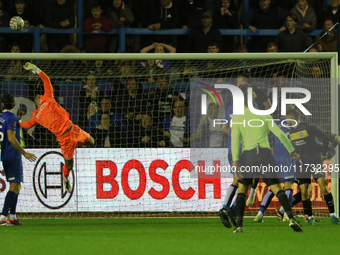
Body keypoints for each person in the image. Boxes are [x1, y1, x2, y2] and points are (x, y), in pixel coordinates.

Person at [230, 85, 302, 233]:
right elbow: (280, 135)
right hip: (265, 154)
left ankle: (239, 226)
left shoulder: (238, 118)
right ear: (254, 101)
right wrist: (292, 150)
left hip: (249, 156)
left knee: (242, 190)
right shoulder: (264, 115)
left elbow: (234, 141)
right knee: (277, 188)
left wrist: (236, 162)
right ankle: (291, 219)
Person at [20, 62, 95, 193]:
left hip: (73, 129)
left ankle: (76, 145)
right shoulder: (36, 115)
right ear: (35, 101)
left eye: (38, 95)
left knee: (92, 141)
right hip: (64, 139)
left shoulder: (48, 97)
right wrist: (18, 120)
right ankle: (65, 180)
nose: (38, 96)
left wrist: (36, 69)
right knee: (69, 166)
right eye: (36, 96)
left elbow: (46, 79)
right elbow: (26, 125)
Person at [285, 108, 339, 225]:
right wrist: (295, 156)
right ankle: (309, 218)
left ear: (292, 118)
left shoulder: (308, 127)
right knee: (304, 191)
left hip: (315, 162)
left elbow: (324, 137)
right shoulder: (291, 133)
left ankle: (333, 215)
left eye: (287, 117)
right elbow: (295, 149)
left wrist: (323, 154)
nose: (286, 119)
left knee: (323, 186)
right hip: (301, 165)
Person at [0, 94, 37, 226]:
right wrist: (24, 153)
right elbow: (11, 137)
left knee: (17, 185)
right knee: (14, 186)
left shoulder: (2, 118)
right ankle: (3, 217)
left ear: (2, 104)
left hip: (5, 154)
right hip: (13, 154)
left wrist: (18, 119)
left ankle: (13, 216)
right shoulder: (12, 117)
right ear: (14, 104)